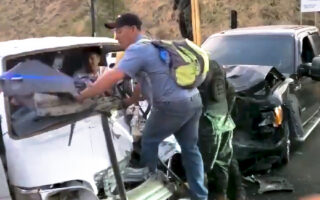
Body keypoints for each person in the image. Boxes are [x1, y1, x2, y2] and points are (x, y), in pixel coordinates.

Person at [77, 13, 208, 200]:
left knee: (148, 141)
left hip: (170, 105)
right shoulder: (153, 44)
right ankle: (200, 195)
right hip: (193, 100)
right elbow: (143, 80)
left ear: (133, 29)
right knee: (190, 148)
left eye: (119, 31)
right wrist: (130, 101)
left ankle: (151, 190)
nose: (116, 37)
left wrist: (83, 95)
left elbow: (114, 75)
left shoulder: (137, 50)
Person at [198, 60, 246, 200]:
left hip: (208, 126)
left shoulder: (189, 73)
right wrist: (225, 116)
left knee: (210, 168)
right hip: (222, 121)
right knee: (226, 160)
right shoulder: (212, 66)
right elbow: (230, 92)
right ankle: (237, 194)